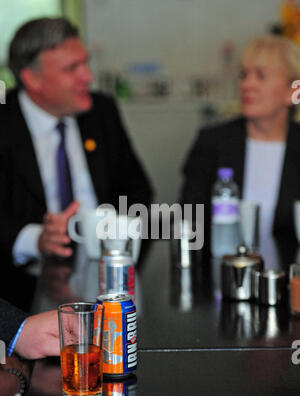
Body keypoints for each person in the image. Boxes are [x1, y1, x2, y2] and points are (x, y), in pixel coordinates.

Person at [0, 17, 153, 267]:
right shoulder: (5, 123)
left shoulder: (102, 112)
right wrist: (36, 240)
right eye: (72, 69)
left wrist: (118, 245)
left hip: (106, 269)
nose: (88, 76)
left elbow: (137, 189)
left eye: (86, 63)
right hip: (24, 284)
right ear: (32, 79)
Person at [180, 35, 300, 258]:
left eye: (261, 76)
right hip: (223, 277)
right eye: (244, 75)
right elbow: (190, 224)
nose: (247, 85)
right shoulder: (212, 142)